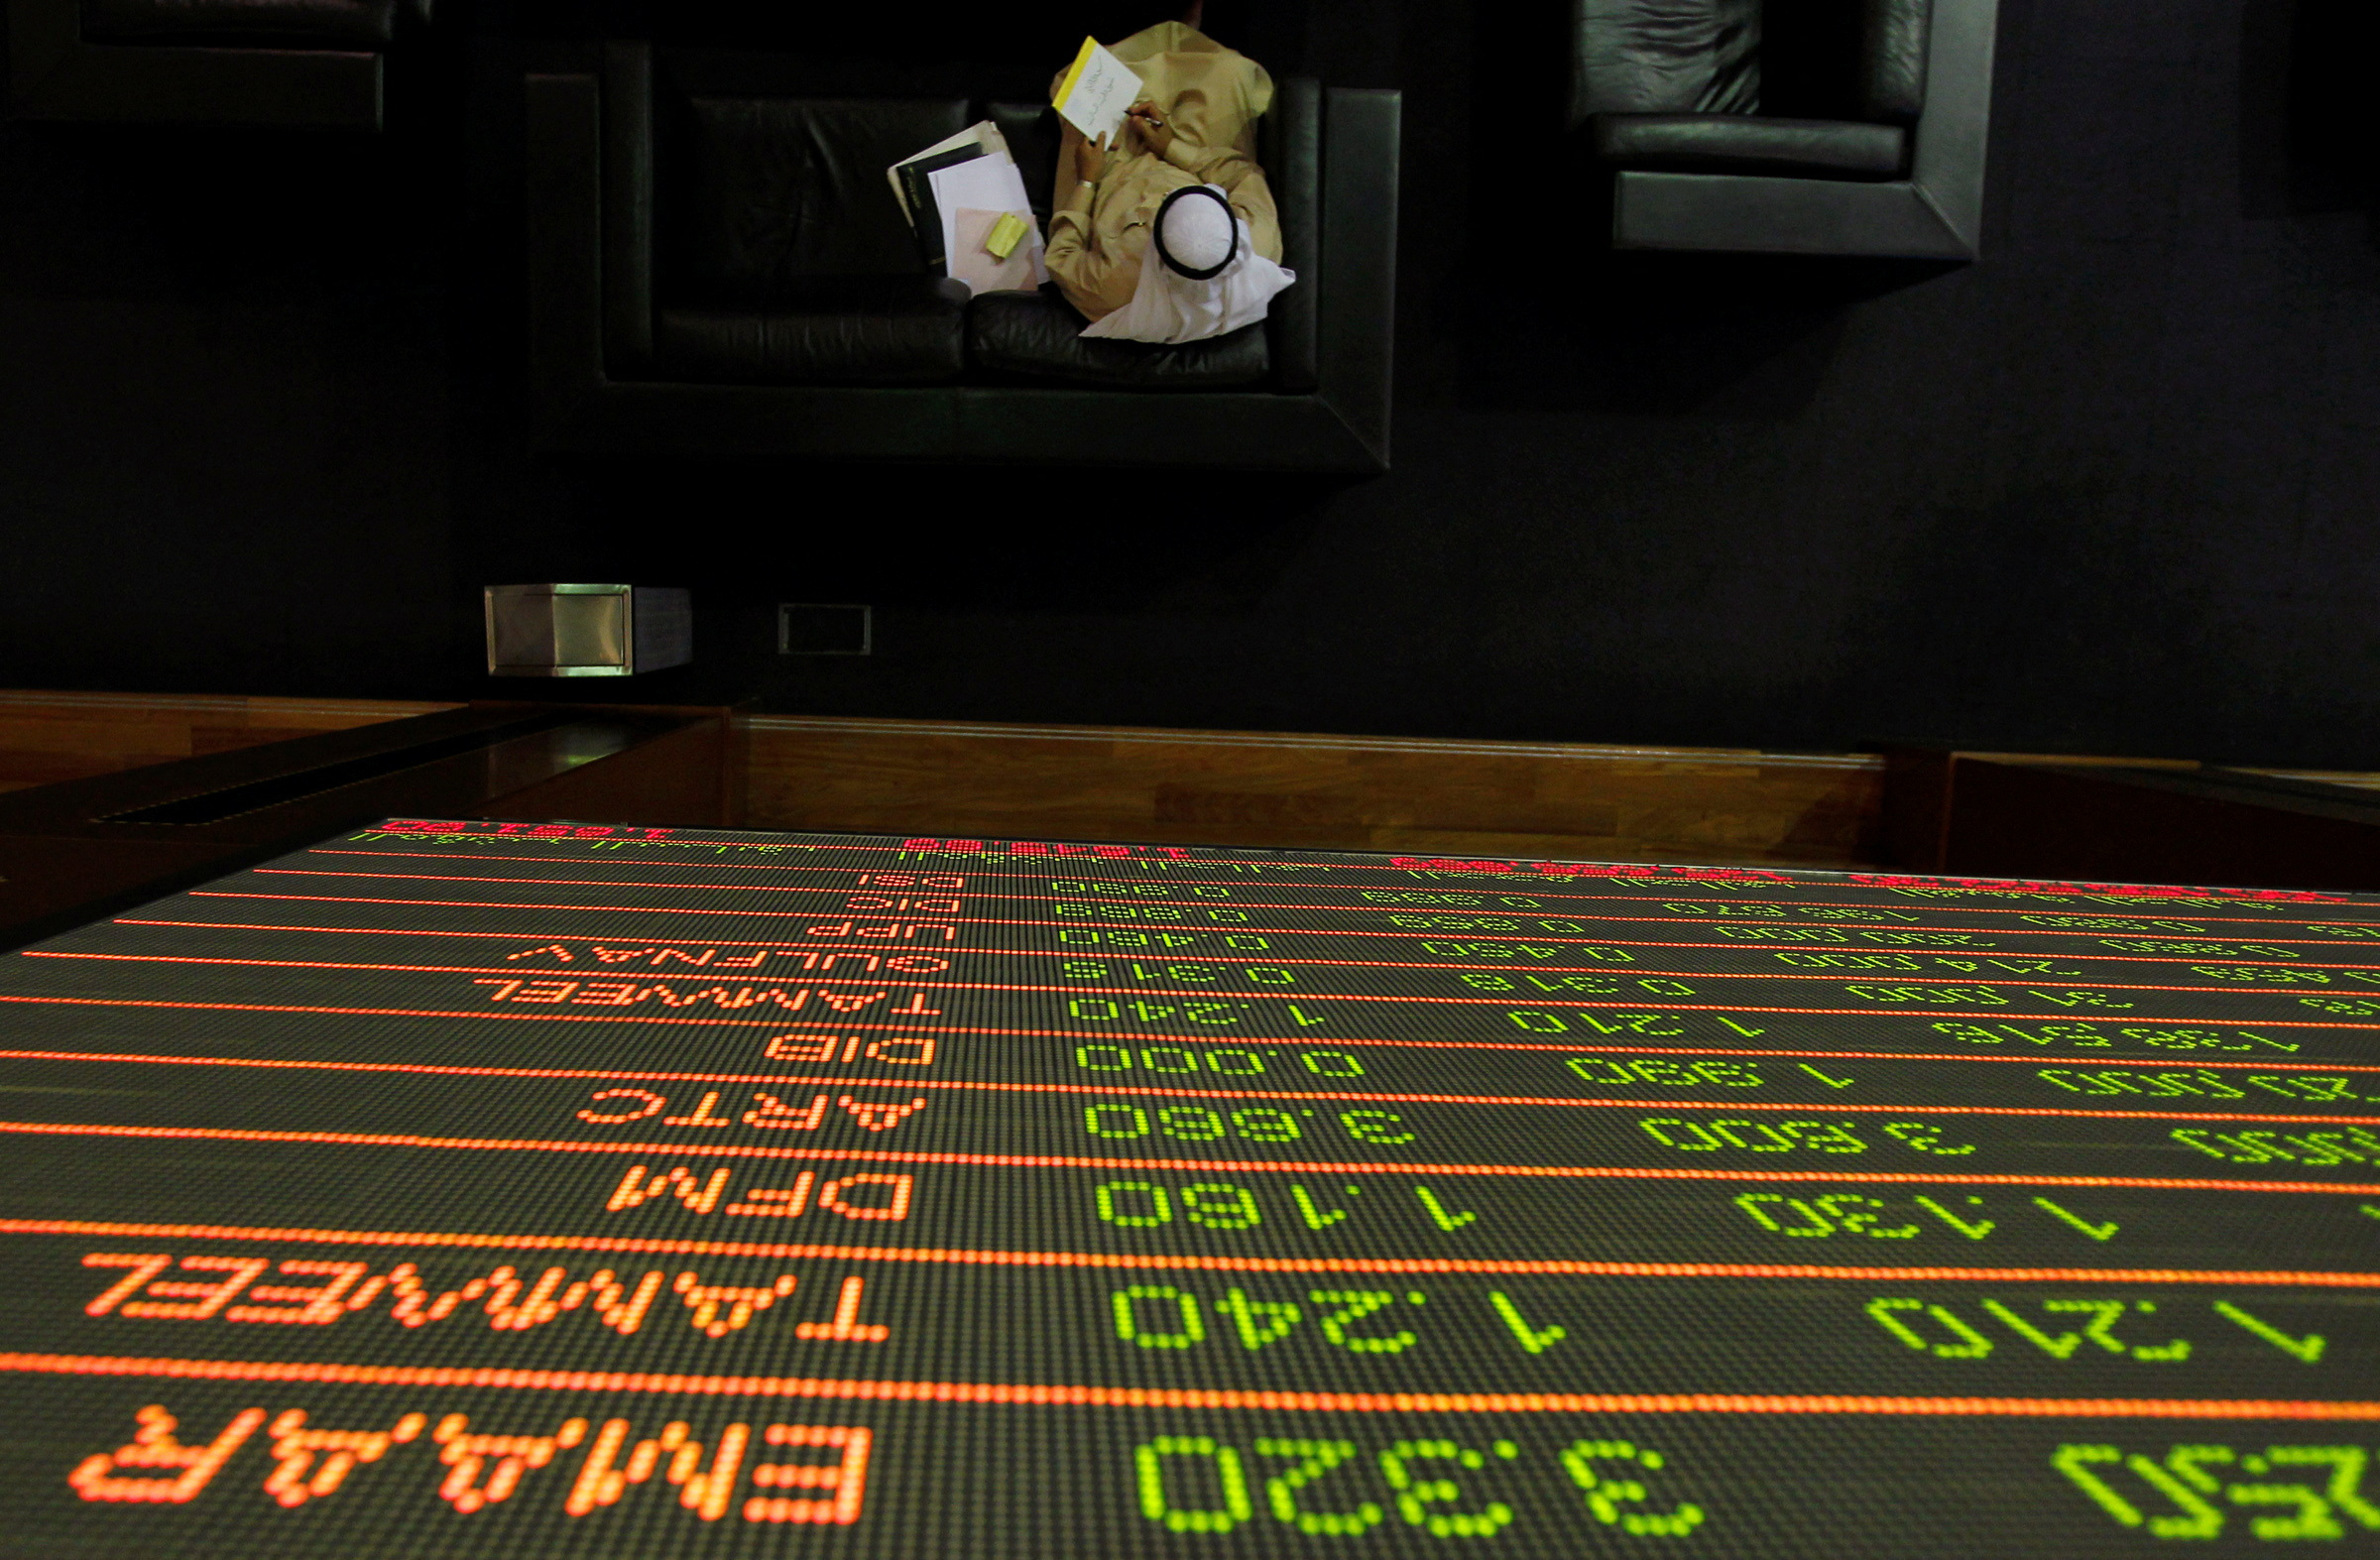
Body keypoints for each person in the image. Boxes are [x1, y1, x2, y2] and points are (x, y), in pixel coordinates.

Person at [1045, 19, 1292, 343]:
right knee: (1230, 73)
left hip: (1110, 169)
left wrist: (1087, 181)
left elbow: (1062, 255)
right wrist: (1172, 146)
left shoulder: (1112, 287)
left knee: (1085, 79)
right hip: (1192, 160)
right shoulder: (1257, 246)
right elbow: (1242, 174)